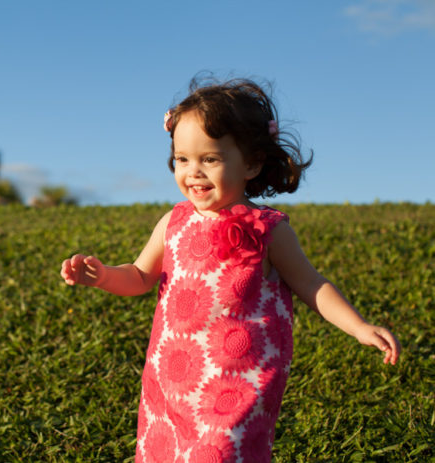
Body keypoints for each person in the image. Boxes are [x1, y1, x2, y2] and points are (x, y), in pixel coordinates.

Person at [60, 76, 401, 462]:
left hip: (238, 385)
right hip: (172, 378)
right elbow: (139, 276)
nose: (194, 172)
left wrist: (358, 326)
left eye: (211, 159)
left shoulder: (270, 230)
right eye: (183, 159)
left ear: (252, 163)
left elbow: (310, 283)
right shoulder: (173, 222)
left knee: (219, 454)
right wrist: (103, 275)